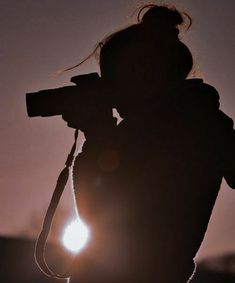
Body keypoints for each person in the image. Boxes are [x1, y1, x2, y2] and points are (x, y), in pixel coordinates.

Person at [62, 4, 235, 283]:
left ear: (142, 73)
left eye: (112, 78)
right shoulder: (198, 120)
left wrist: (98, 138)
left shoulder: (179, 125)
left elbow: (105, 215)